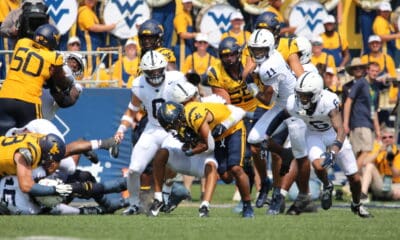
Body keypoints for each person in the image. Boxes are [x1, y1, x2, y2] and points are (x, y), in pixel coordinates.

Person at [286, 71, 372, 218]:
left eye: (306, 95)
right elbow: (282, 116)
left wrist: (333, 151)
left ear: (316, 93)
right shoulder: (293, 103)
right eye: (300, 94)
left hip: (333, 134)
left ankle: (357, 205)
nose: (302, 98)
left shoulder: (328, 100)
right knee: (318, 166)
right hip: (314, 134)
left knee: (355, 179)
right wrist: (267, 135)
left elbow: (340, 130)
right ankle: (327, 185)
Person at [114, 50, 186, 215]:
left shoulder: (176, 79)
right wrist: (121, 129)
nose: (154, 75)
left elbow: (190, 99)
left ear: (164, 68)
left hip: (173, 129)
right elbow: (132, 111)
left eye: (157, 70)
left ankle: (165, 194)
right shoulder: (139, 83)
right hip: (153, 128)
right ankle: (133, 204)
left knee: (173, 162)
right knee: (134, 169)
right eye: (150, 72)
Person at [156, 99, 254, 218]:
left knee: (236, 168)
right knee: (226, 177)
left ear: (180, 116)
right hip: (217, 138)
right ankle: (247, 169)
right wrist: (189, 145)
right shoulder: (182, 126)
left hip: (232, 130)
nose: (174, 127)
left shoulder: (194, 116)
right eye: (171, 125)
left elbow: (209, 146)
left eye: (175, 123)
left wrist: (192, 151)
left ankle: (247, 205)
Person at [246, 28, 297, 215]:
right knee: (253, 140)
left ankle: (278, 194)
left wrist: (250, 85)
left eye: (261, 50)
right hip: (281, 103)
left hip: (293, 107)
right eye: (255, 50)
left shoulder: (270, 65)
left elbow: (266, 100)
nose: (257, 54)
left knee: (292, 152)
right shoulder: (270, 59)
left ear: (270, 48)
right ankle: (266, 182)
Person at [0, 23, 78, 135]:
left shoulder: (22, 43)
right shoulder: (54, 57)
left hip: (4, 97)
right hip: (28, 101)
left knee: (2, 140)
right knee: (34, 140)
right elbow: (61, 83)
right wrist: (69, 81)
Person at [0, 132, 72, 199]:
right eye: (49, 162)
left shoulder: (40, 138)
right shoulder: (28, 153)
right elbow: (26, 186)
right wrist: (56, 189)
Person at [343, 58, 380, 171]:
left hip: (366, 123)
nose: (374, 73)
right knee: (366, 152)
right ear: (367, 71)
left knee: (361, 154)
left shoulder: (373, 87)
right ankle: (352, 178)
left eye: (376, 71)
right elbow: (348, 102)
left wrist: (377, 129)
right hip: (360, 123)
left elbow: (373, 110)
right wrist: (345, 123)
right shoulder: (361, 82)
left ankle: (356, 183)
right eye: (372, 70)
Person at [77, 0, 116, 75]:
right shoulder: (84, 11)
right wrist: (108, 27)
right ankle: (88, 85)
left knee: (96, 68)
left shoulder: (90, 11)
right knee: (90, 68)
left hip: (95, 47)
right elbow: (92, 27)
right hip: (89, 47)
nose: (92, 1)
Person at [361, 127, 400, 202]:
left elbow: (397, 174)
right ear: (381, 139)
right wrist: (378, 152)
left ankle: (385, 197)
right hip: (380, 182)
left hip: (394, 184)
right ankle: (363, 195)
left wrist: (390, 163)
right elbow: (364, 163)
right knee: (369, 166)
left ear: (394, 139)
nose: (387, 139)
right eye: (384, 137)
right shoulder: (377, 149)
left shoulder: (398, 153)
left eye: (390, 137)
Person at [173, 0, 198, 71]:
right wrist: (196, 35)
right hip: (182, 49)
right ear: (182, 4)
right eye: (186, 3)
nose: (188, 5)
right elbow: (182, 34)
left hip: (189, 48)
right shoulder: (181, 16)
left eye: (190, 3)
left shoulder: (189, 15)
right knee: (182, 72)